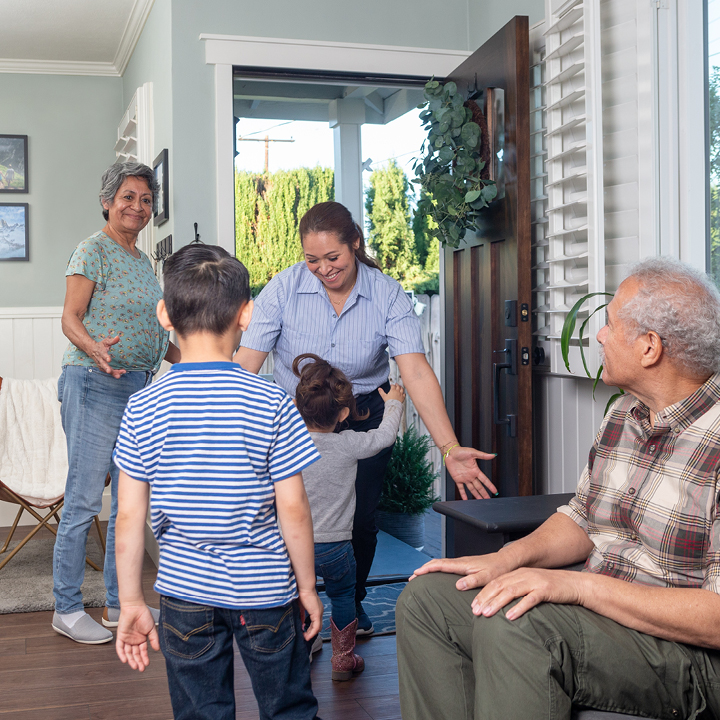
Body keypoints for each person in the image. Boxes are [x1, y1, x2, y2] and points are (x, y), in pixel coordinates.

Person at [396, 257, 720, 720]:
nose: (600, 335)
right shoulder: (623, 416)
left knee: (515, 625)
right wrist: (504, 560)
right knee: (427, 601)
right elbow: (583, 517)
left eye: (610, 323)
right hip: (602, 618)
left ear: (650, 347)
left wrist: (576, 587)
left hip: (687, 654)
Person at [235, 201, 496, 634]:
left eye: (333, 258)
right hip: (293, 418)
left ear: (354, 243)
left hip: (361, 414)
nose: (323, 269)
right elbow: (247, 362)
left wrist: (448, 447)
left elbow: (413, 369)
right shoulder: (282, 290)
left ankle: (347, 613)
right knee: (288, 512)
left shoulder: (387, 293)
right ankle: (295, 611)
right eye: (312, 260)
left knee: (359, 518)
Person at [112, 244, 323, 720]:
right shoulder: (271, 401)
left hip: (185, 595)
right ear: (246, 314)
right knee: (289, 708)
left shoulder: (143, 407)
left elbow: (127, 516)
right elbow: (294, 508)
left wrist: (130, 601)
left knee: (200, 713)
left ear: (165, 314)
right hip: (266, 591)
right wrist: (307, 587)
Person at [52, 162, 180, 645]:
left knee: (129, 501)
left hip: (140, 391)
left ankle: (116, 602)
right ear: (107, 201)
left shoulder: (145, 262)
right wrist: (94, 348)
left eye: (146, 200)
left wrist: (197, 360)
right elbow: (71, 317)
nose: (138, 207)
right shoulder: (93, 249)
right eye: (128, 197)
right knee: (84, 500)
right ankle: (65, 607)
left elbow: (154, 331)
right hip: (93, 382)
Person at [292, 352, 405, 680]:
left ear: (299, 408)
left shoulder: (288, 444)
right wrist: (394, 402)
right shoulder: (349, 443)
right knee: (343, 596)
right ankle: (342, 657)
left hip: (297, 548)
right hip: (338, 547)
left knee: (299, 593)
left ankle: (302, 646)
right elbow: (384, 438)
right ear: (344, 413)